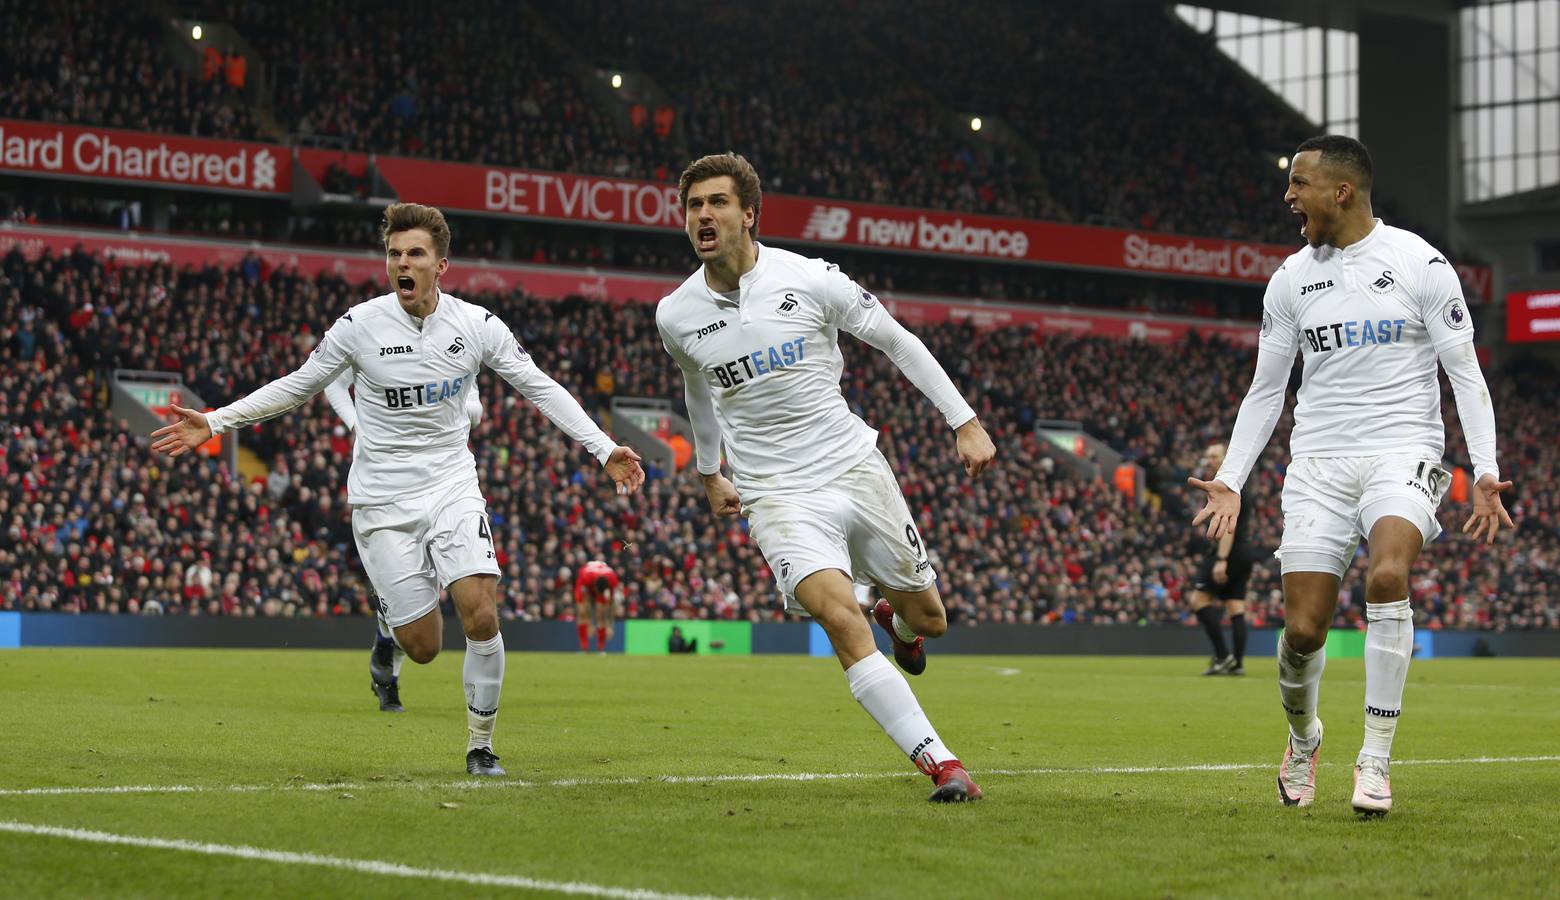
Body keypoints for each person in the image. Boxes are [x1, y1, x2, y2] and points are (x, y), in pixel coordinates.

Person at [152, 202, 645, 776]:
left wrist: (603, 447)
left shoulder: (477, 325)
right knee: (425, 646)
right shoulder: (358, 327)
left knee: (481, 612)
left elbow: (539, 387)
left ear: (442, 265)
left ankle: (480, 748)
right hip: (382, 501)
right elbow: (298, 386)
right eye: (394, 253)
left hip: (450, 485)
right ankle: (389, 625)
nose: (402, 263)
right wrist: (215, 422)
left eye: (415, 254)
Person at [655, 153, 997, 803]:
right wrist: (708, 471)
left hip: (852, 466)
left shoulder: (811, 280)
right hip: (774, 495)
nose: (703, 214)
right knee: (841, 618)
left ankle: (901, 618)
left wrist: (964, 420)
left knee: (933, 617)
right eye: (694, 205)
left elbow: (896, 340)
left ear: (749, 213)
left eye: (717, 202)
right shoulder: (676, 314)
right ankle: (942, 763)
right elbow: (697, 393)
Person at [1189, 136, 1513, 817]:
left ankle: (1375, 759)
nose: (1288, 196)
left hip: (1404, 449)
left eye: (1299, 183)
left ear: (1341, 191)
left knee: (1388, 576)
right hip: (1318, 463)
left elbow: (1464, 372)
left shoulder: (1420, 263)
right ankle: (1304, 738)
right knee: (1304, 630)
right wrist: (1231, 476)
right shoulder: (1289, 280)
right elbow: (1266, 390)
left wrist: (1485, 470)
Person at [323, 370, 485, 713]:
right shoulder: (369, 327)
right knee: (424, 646)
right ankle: (388, 632)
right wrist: (357, 424)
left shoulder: (457, 332)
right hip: (387, 491)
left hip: (445, 486)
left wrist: (464, 410)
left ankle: (482, 738)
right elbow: (328, 380)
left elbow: (474, 402)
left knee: (465, 591)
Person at [1187, 442, 1253, 676]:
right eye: (1209, 455)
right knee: (1235, 606)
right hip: (1244, 551)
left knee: (1199, 600)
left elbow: (1228, 527)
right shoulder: (1242, 483)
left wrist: (1221, 559)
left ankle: (1223, 656)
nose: (1211, 459)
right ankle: (1237, 663)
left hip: (1229, 551)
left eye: (1215, 455)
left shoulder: (1228, 485)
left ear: (1227, 457)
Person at [573, 558, 619, 653]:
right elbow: (584, 603)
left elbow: (611, 604)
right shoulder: (586, 578)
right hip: (585, 581)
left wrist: (610, 626)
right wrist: (590, 624)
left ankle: (600, 648)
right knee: (582, 613)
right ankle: (584, 648)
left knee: (601, 613)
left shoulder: (613, 579)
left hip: (600, 579)